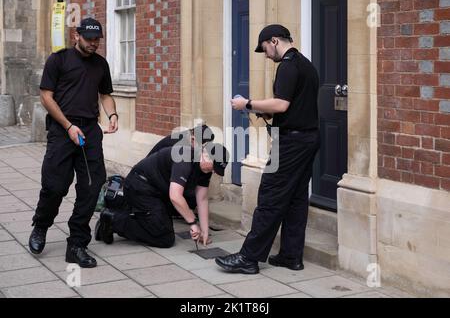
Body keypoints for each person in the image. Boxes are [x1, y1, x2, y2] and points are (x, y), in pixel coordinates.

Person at [215, 24, 320, 274]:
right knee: (295, 199)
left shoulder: (287, 66)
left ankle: (248, 258)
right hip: (308, 139)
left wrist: (247, 103)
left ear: (274, 41)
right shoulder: (306, 64)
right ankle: (290, 256)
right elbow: (295, 106)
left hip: (292, 143)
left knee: (270, 196)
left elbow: (282, 104)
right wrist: (262, 110)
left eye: (264, 49)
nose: (265, 55)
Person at [28, 18, 118, 268]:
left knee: (92, 186)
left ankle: (77, 243)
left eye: (97, 39)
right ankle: (41, 226)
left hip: (89, 130)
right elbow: (46, 97)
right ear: (76, 36)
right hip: (62, 129)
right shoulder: (58, 60)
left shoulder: (101, 64)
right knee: (55, 185)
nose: (93, 44)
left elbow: (105, 94)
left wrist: (112, 115)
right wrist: (68, 126)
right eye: (89, 39)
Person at [94, 143, 229, 248]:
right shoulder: (185, 157)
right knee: (165, 238)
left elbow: (202, 198)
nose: (212, 171)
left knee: (166, 220)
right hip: (140, 186)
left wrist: (204, 231)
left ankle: (135, 214)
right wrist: (193, 223)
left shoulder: (205, 170)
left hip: (157, 192)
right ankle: (113, 220)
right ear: (205, 154)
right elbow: (175, 196)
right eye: (213, 166)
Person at [146, 124, 215, 218]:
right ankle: (175, 210)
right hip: (154, 178)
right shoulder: (179, 146)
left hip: (164, 173)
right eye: (204, 145)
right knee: (188, 193)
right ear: (194, 139)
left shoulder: (189, 142)